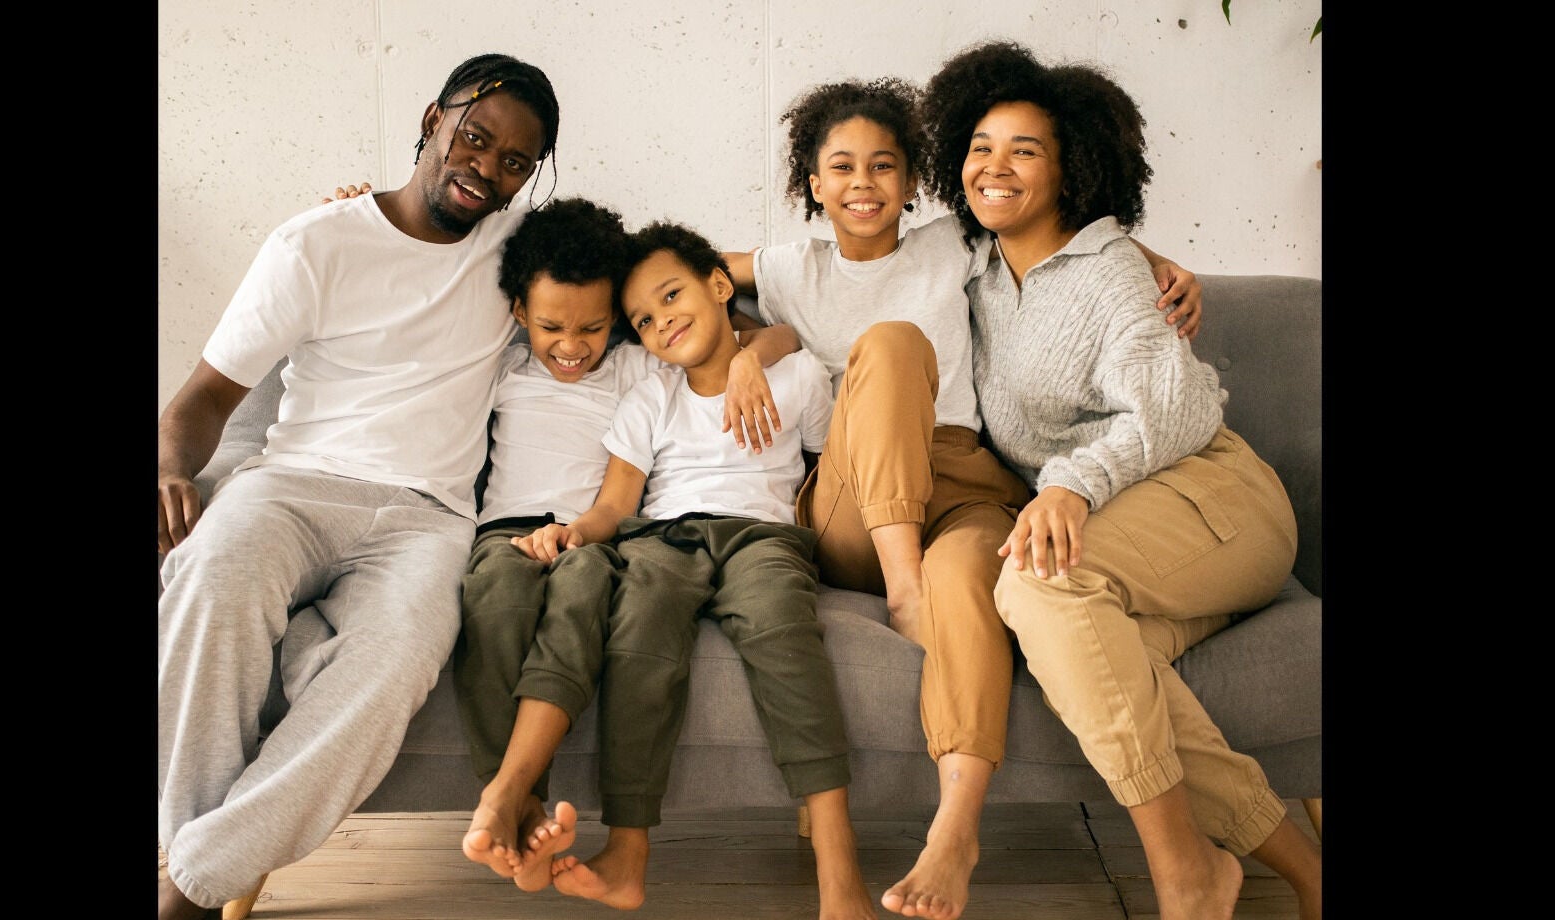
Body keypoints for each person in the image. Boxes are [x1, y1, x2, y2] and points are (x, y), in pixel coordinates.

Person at [716, 76, 1204, 919]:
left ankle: (958, 828)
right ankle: (906, 589)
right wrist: (743, 351)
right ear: (813, 185)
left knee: (984, 565)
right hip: (854, 500)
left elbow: (1061, 246)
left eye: (885, 166)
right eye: (842, 169)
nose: (864, 184)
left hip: (967, 483)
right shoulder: (789, 270)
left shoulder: (955, 244)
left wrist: (1153, 262)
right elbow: (668, 274)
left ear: (913, 183)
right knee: (895, 345)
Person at [912, 41, 1323, 920]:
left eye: (1024, 150)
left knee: (1039, 586)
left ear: (1072, 171)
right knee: (1101, 653)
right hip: (1137, 535)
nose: (994, 165)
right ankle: (1299, 871)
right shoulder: (970, 268)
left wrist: (1069, 486)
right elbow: (829, 257)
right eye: (981, 146)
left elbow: (1172, 412)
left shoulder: (1112, 274)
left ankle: (1181, 870)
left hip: (1214, 497)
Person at [156, 53, 562, 920]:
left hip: (429, 519)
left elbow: (659, 276)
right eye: (475, 137)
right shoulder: (316, 239)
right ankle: (190, 852)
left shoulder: (523, 253)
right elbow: (203, 400)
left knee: (398, 659)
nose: (487, 168)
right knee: (210, 576)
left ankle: (191, 883)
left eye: (516, 161)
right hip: (295, 487)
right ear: (432, 118)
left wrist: (765, 339)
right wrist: (167, 467)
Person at [508, 220, 878, 919]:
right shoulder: (651, 396)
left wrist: (757, 355)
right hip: (665, 539)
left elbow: (834, 476)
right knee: (639, 640)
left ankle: (839, 866)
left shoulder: (794, 375)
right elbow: (617, 502)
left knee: (786, 640)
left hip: (763, 539)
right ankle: (626, 854)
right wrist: (573, 531)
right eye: (644, 319)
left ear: (718, 286)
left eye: (672, 296)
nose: (661, 322)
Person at [448, 196, 797, 900]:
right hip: (507, 529)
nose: (572, 344)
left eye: (594, 326)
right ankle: (524, 807)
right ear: (519, 313)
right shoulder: (501, 365)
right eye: (551, 326)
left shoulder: (640, 367)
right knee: (496, 600)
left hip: (597, 534)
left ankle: (507, 800)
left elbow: (774, 331)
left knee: (580, 597)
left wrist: (751, 361)